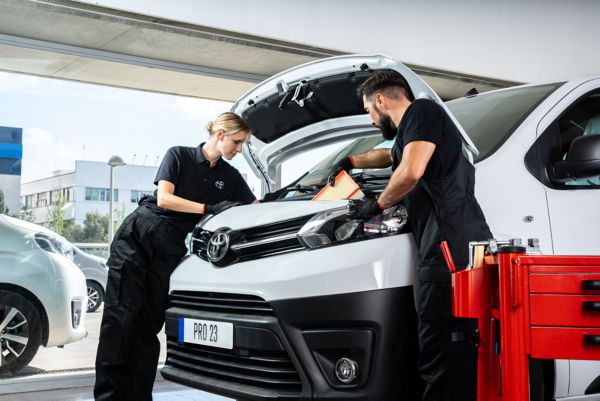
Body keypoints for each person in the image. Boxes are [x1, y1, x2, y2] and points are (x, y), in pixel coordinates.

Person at [335, 69, 492, 401]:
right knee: (439, 338)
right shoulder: (413, 129)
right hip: (442, 239)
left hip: (448, 243)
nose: (370, 120)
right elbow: (393, 156)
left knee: (442, 340)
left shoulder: (423, 110)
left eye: (368, 111)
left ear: (380, 100)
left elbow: (410, 171)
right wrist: (351, 160)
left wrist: (375, 205)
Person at [94, 112, 258, 401]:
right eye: (237, 142)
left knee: (149, 326)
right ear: (220, 134)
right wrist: (209, 209)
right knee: (120, 320)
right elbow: (164, 199)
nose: (239, 150)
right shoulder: (179, 156)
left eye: (243, 144)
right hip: (139, 234)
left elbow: (255, 206)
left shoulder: (230, 176)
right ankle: (109, 397)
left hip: (169, 246)